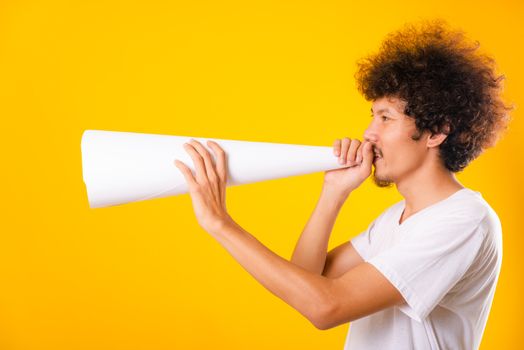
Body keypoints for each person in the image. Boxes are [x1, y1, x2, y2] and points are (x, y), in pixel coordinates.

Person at [174, 19, 512, 350]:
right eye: (372, 115)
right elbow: (305, 279)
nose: (369, 133)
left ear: (436, 132)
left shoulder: (464, 220)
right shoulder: (396, 218)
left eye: (385, 118)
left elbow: (326, 307)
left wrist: (219, 223)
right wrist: (333, 193)